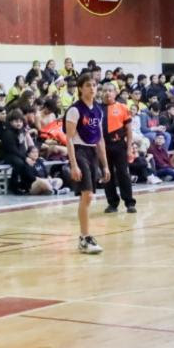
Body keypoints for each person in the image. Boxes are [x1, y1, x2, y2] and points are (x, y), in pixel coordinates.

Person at [65, 73, 109, 255]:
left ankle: (84, 237)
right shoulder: (75, 110)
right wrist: (74, 164)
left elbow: (100, 140)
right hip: (79, 150)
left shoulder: (98, 110)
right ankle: (85, 237)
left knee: (87, 197)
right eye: (88, 85)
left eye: (94, 85)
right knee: (87, 195)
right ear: (80, 88)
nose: (92, 88)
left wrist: (105, 165)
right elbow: (68, 138)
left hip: (92, 152)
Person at [100, 83, 136, 215]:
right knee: (106, 175)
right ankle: (112, 203)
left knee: (123, 174)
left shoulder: (122, 107)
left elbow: (129, 131)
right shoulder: (96, 109)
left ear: (115, 93)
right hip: (103, 147)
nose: (107, 93)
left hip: (119, 146)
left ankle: (129, 203)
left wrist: (129, 148)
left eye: (110, 90)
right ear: (101, 93)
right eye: (105, 91)